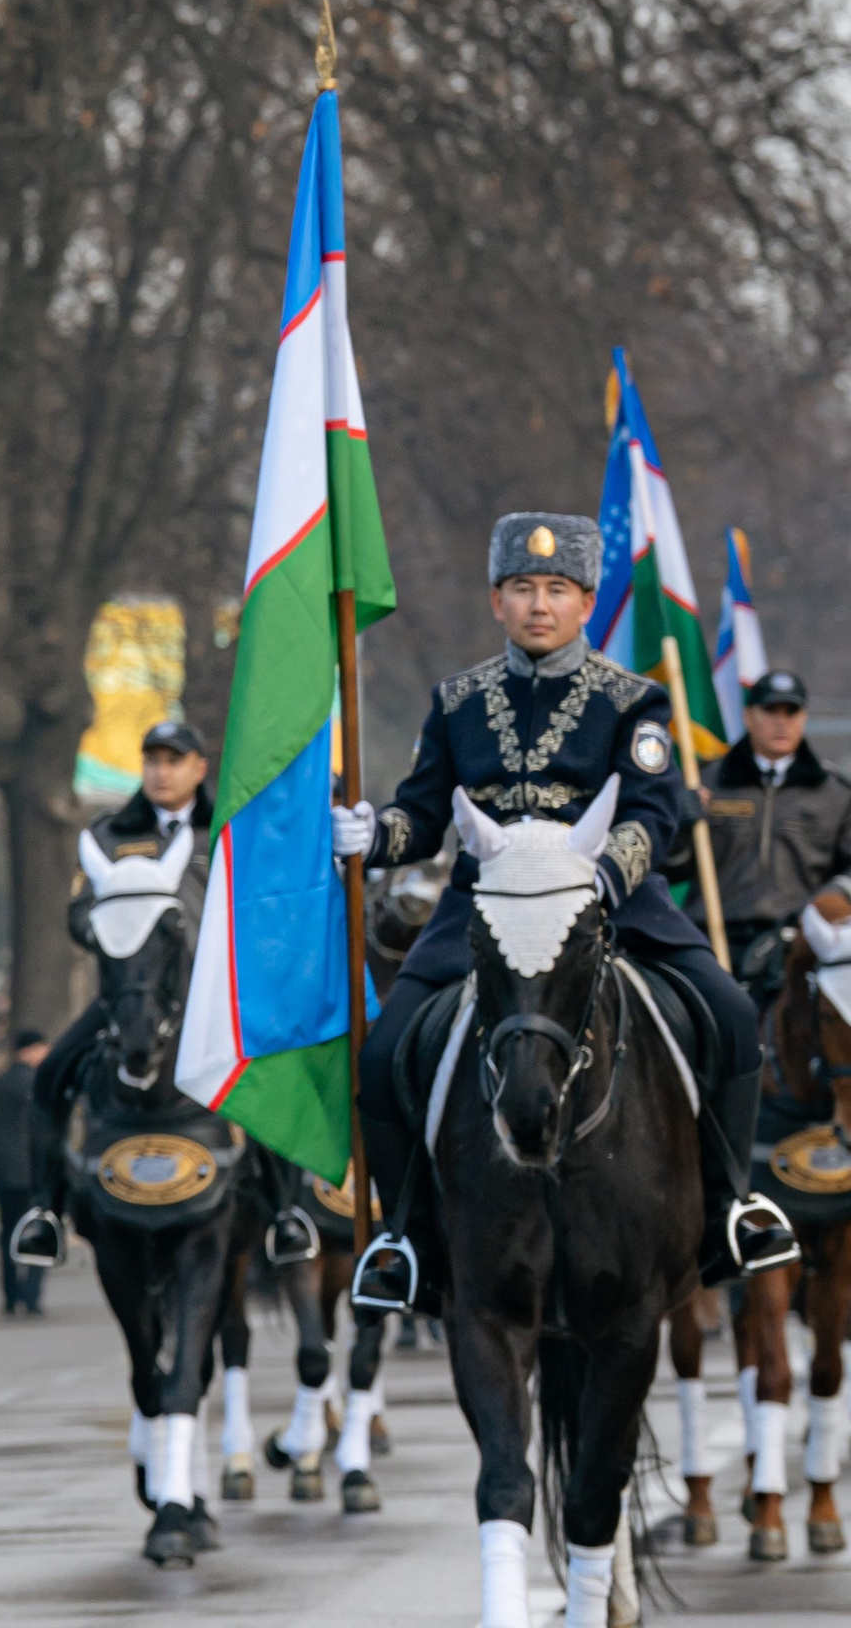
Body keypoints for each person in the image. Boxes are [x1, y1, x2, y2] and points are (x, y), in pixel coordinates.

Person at [338, 511, 796, 1311]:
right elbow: (424, 815)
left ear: (586, 601)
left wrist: (602, 881)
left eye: (556, 588)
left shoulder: (634, 700)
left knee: (729, 1017)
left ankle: (730, 1208)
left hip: (609, 903)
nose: (539, 604)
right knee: (380, 1059)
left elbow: (651, 813)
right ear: (497, 600)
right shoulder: (457, 701)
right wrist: (374, 834)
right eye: (522, 587)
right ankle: (405, 1238)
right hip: (484, 909)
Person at [14, 714, 214, 1260]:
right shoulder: (109, 835)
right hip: (130, 997)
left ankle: (284, 1210)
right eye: (153, 761)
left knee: (271, 1070)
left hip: (211, 999)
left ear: (199, 769)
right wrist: (114, 931)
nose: (162, 772)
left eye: (174, 761)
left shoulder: (224, 830)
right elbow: (78, 913)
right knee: (51, 1074)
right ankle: (44, 1210)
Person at [691, 667, 851, 981]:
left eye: (791, 712)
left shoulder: (840, 794)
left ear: (804, 718)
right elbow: (667, 863)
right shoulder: (704, 782)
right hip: (712, 941)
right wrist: (682, 820)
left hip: (798, 947)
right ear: (749, 716)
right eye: (770, 711)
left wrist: (829, 899)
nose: (781, 722)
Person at [0, 1031, 51, 1313]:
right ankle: (32, 1295)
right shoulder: (39, 1085)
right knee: (39, 1231)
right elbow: (43, 1132)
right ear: (31, 1049)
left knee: (8, 1233)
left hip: (4, 1170)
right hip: (34, 1171)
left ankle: (11, 1296)